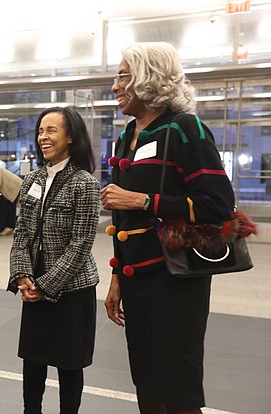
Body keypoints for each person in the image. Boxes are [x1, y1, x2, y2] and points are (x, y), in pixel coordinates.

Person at [100, 42, 236, 414]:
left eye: (122, 76)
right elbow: (122, 220)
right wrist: (117, 277)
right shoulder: (127, 135)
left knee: (176, 384)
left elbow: (220, 206)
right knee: (144, 377)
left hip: (176, 280)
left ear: (148, 78)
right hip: (136, 278)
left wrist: (144, 200)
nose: (114, 86)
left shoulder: (184, 129)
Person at [8, 106, 100, 414]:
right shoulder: (33, 178)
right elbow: (21, 232)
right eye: (40, 131)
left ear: (71, 137)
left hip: (72, 288)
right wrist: (22, 275)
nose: (43, 137)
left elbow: (82, 244)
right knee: (33, 360)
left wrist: (44, 286)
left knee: (68, 364)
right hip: (33, 283)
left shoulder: (84, 183)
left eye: (51, 131)